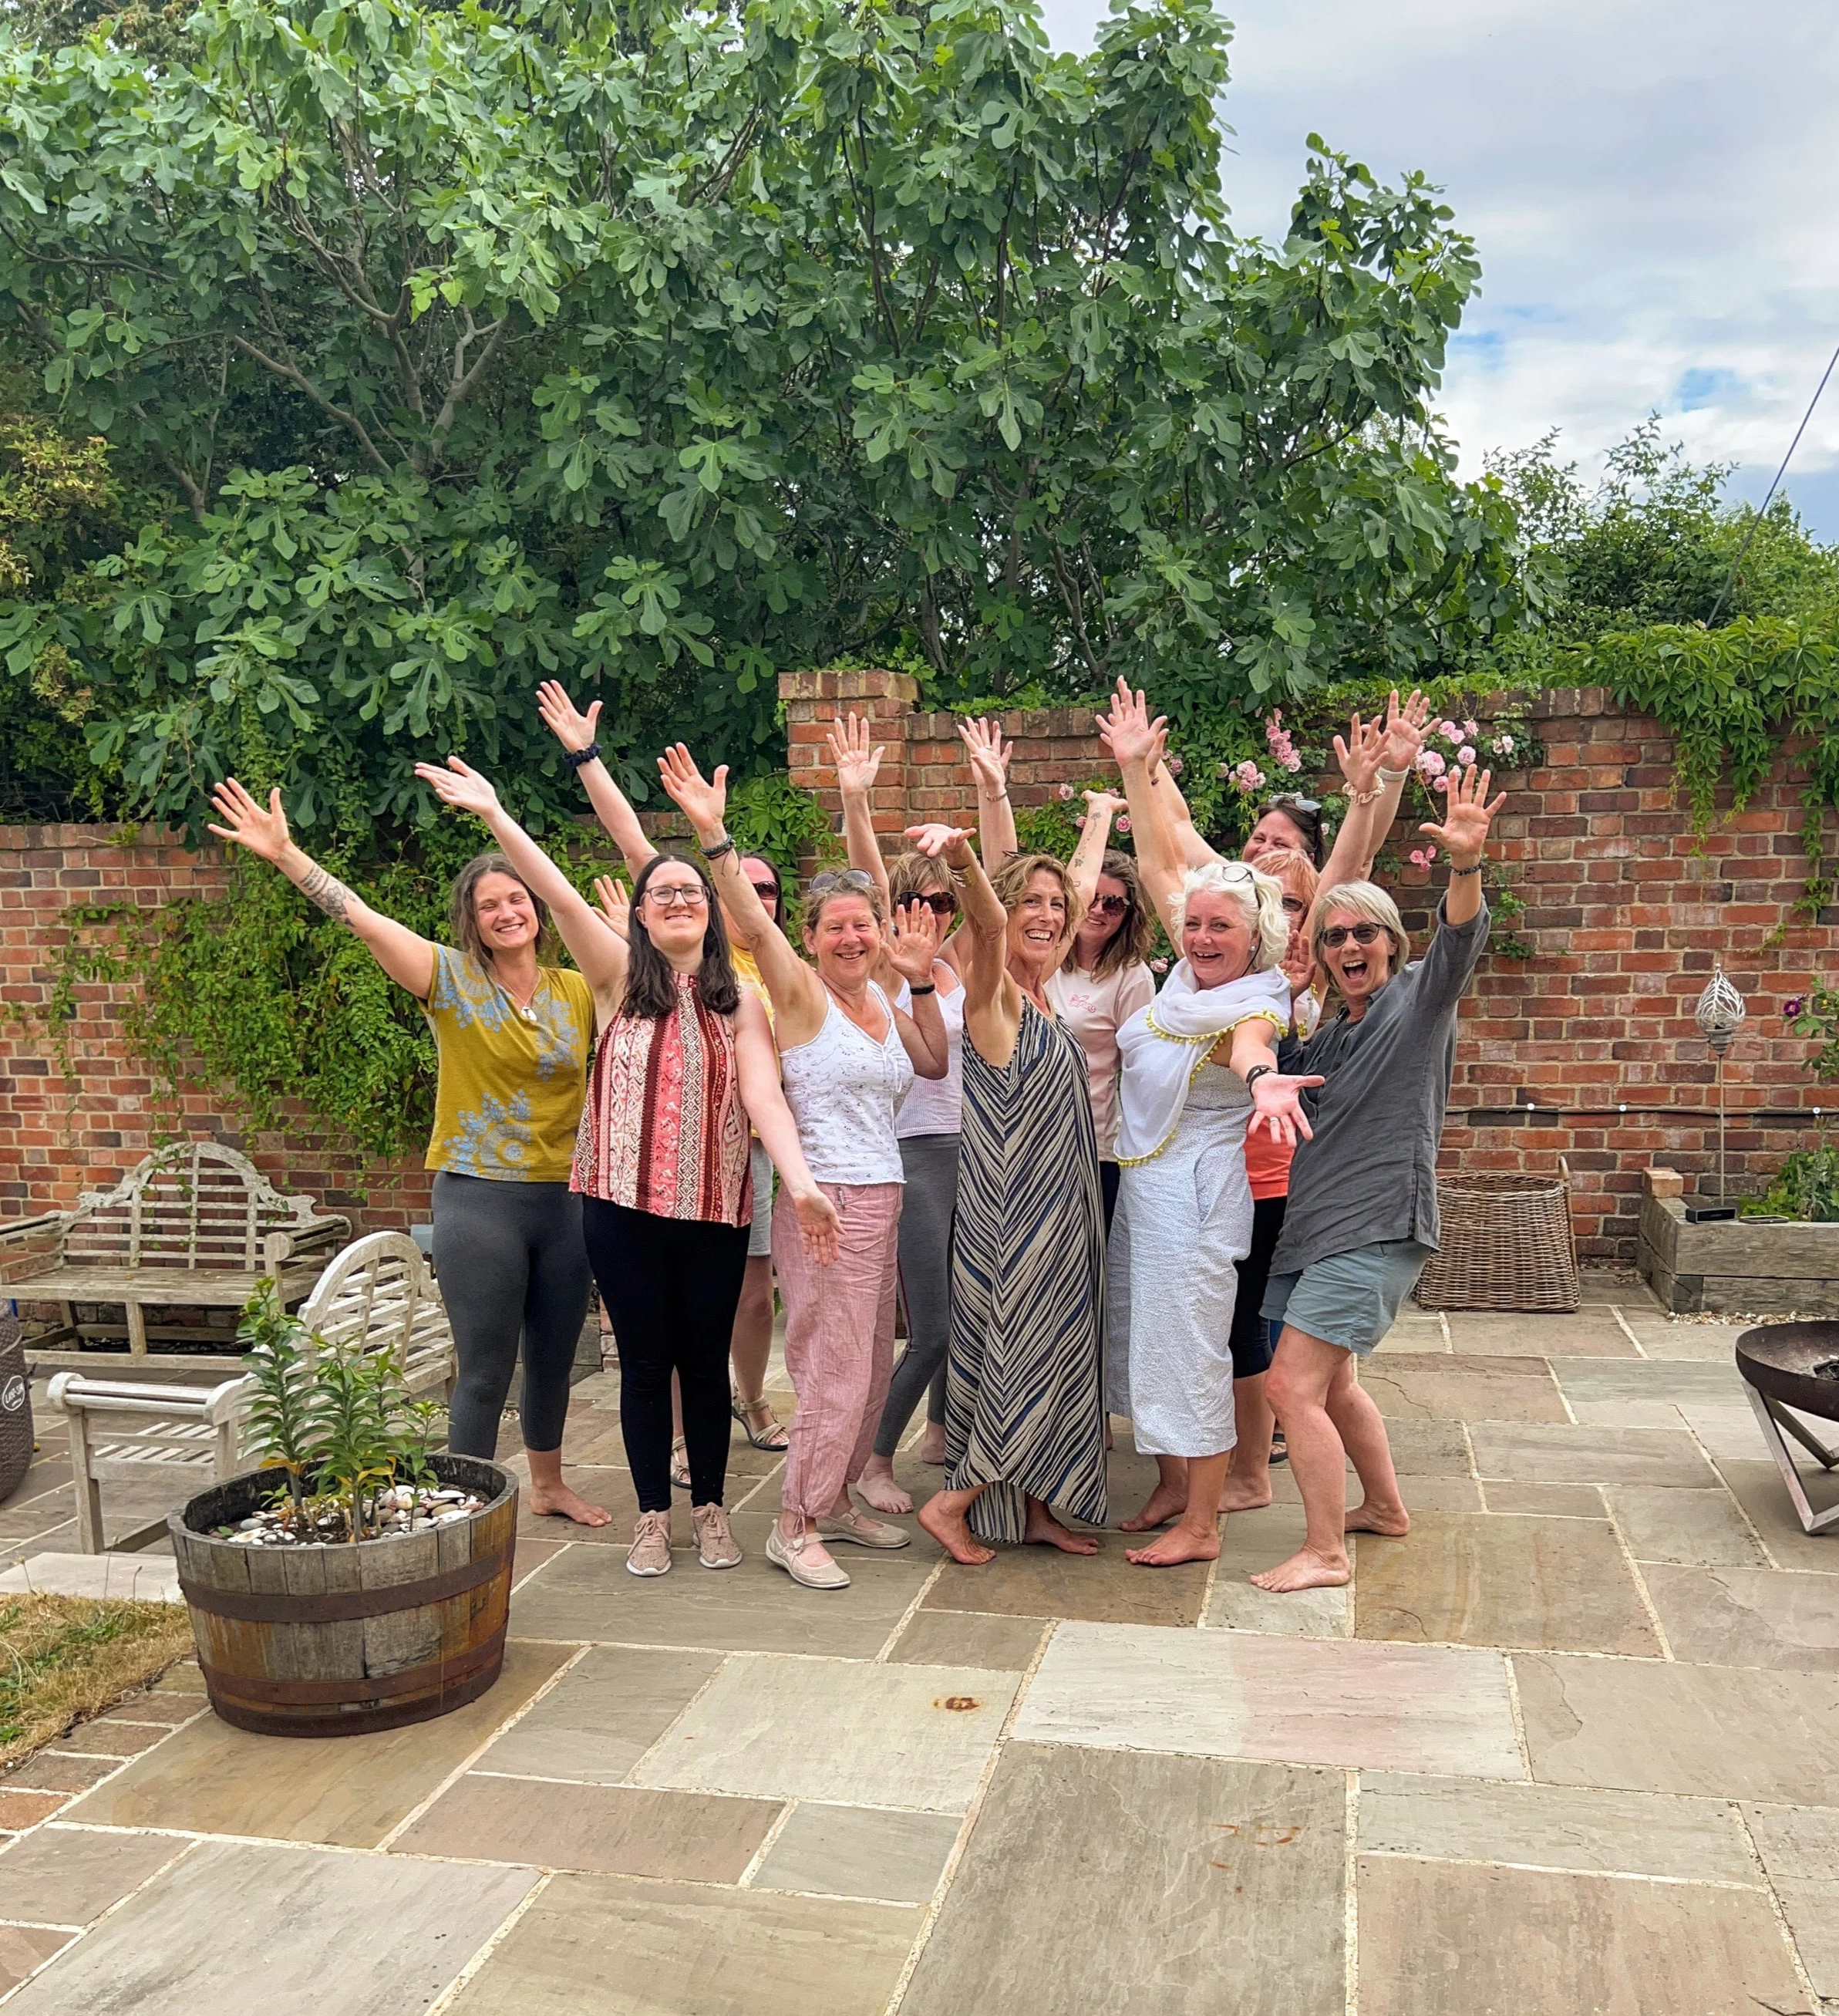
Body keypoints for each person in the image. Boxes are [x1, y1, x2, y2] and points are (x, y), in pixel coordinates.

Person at [411, 758, 840, 1576]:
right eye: (661, 893)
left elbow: (765, 1099)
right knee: (644, 1364)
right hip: (621, 1213)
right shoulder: (614, 980)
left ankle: (711, 1510)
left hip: (716, 1209)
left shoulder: (741, 1000)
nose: (678, 900)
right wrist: (499, 811)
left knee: (703, 1365)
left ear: (712, 913)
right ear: (641, 915)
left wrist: (804, 1182)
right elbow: (560, 894)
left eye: (691, 891)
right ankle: (653, 1516)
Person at [204, 777, 609, 1526]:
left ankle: (549, 1486)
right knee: (485, 1372)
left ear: (536, 910)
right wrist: (288, 855)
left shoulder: (574, 989)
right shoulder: (447, 979)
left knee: (555, 1359)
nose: (507, 911)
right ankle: (464, 1509)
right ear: (473, 922)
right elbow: (359, 917)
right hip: (479, 1201)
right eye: (490, 905)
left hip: (566, 1200)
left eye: (516, 899)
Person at [653, 742, 951, 1592]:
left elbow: (931, 1065)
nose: (855, 935)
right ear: (811, 939)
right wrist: (714, 839)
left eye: (865, 923)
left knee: (863, 1362)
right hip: (826, 1200)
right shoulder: (799, 994)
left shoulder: (887, 1001)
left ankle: (843, 1494)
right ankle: (795, 1521)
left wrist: (861, 806)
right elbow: (748, 920)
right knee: (830, 1364)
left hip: (883, 1194)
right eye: (837, 926)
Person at [1251, 757, 1504, 1594]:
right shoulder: (1331, 1028)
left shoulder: (1418, 1003)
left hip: (1374, 1225)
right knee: (1340, 1381)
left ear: (1394, 944)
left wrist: (1465, 864)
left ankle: (1325, 1550)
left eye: (1364, 933)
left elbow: (1461, 934)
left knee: (1291, 1384)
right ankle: (1384, 1508)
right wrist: (1288, 1001)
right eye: (1334, 936)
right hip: (1315, 1228)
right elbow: (1284, 1076)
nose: (1349, 946)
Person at [536, 683, 790, 1466]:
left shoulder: (770, 966)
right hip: (654, 1166)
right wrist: (585, 756)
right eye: (744, 885)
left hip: (747, 1154)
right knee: (662, 1321)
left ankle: (742, 1402)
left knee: (742, 1303)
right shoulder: (686, 931)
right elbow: (630, 843)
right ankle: (676, 1441)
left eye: (770, 888)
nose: (759, 897)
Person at [1102, 688, 1322, 1567]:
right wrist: (1131, 767)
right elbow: (1161, 864)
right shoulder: (1186, 981)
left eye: (1218, 925)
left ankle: (1203, 1522)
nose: (1198, 934)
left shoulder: (1251, 998)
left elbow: (1252, 1049)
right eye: (1191, 924)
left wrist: (1267, 1086)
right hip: (1149, 1189)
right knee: (1144, 1340)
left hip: (1198, 1199)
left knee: (1190, 1348)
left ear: (1255, 935)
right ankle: (1168, 1483)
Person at [905, 824, 1110, 1566]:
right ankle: (951, 1503)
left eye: (1057, 904)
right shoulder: (991, 1000)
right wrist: (961, 860)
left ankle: (1030, 1510)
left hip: (1062, 1214)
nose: (1047, 914)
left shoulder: (1045, 999)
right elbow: (987, 923)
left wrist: (1101, 816)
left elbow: (1079, 885)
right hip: (1011, 1218)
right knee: (1017, 1359)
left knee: (1053, 1355)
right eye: (1030, 900)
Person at [1046, 842, 1157, 1235]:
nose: (1097, 910)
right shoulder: (1041, 959)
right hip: (1030, 1140)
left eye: (1113, 904)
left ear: (1128, 916)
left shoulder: (1131, 976)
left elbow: (1141, 1070)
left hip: (1091, 1146)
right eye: (1090, 898)